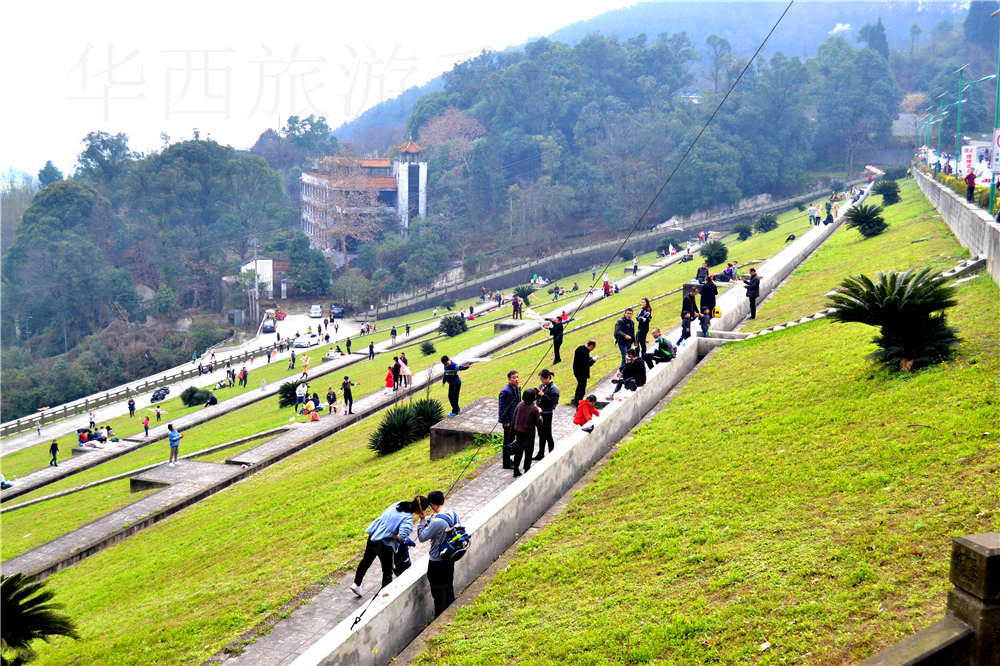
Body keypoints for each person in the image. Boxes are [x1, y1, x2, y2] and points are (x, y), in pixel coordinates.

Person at [350, 495, 428, 597]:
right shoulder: (408, 519)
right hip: (385, 544)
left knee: (366, 561)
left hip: (374, 535)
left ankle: (356, 583)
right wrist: (393, 536)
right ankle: (384, 594)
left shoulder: (398, 504)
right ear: (419, 510)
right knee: (387, 570)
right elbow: (403, 535)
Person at [417, 490, 460, 617]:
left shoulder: (436, 522)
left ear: (431, 504)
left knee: (438, 595)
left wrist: (421, 521)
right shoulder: (453, 514)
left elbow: (422, 537)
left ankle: (440, 618)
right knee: (448, 587)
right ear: (443, 501)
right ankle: (453, 613)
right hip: (450, 557)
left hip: (437, 561)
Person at [511, 389, 542, 477]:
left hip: (518, 431)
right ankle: (526, 469)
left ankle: (516, 469)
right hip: (529, 433)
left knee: (519, 450)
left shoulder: (520, 404)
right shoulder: (534, 408)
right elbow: (538, 422)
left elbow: (514, 415)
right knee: (529, 452)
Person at [533, 369, 560, 461]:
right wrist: (537, 393)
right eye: (540, 379)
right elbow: (539, 398)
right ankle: (541, 453)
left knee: (548, 434)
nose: (541, 381)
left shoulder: (553, 389)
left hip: (547, 414)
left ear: (548, 377)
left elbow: (554, 403)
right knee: (541, 434)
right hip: (540, 412)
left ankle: (552, 453)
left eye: (542, 379)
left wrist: (543, 395)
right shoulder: (543, 385)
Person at [498, 370, 521, 470]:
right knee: (507, 442)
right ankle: (506, 462)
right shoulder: (505, 391)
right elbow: (502, 408)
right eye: (514, 377)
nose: (516, 379)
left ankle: (509, 458)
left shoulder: (517, 389)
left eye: (517, 377)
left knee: (515, 441)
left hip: (516, 420)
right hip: (509, 422)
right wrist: (505, 421)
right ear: (509, 379)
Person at [572, 340, 597, 406]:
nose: (592, 349)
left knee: (579, 385)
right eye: (593, 348)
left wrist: (588, 358)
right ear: (591, 346)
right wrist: (593, 361)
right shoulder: (585, 353)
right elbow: (586, 365)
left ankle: (576, 399)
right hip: (582, 373)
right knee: (582, 388)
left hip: (576, 371)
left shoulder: (580, 348)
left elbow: (580, 359)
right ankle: (579, 402)